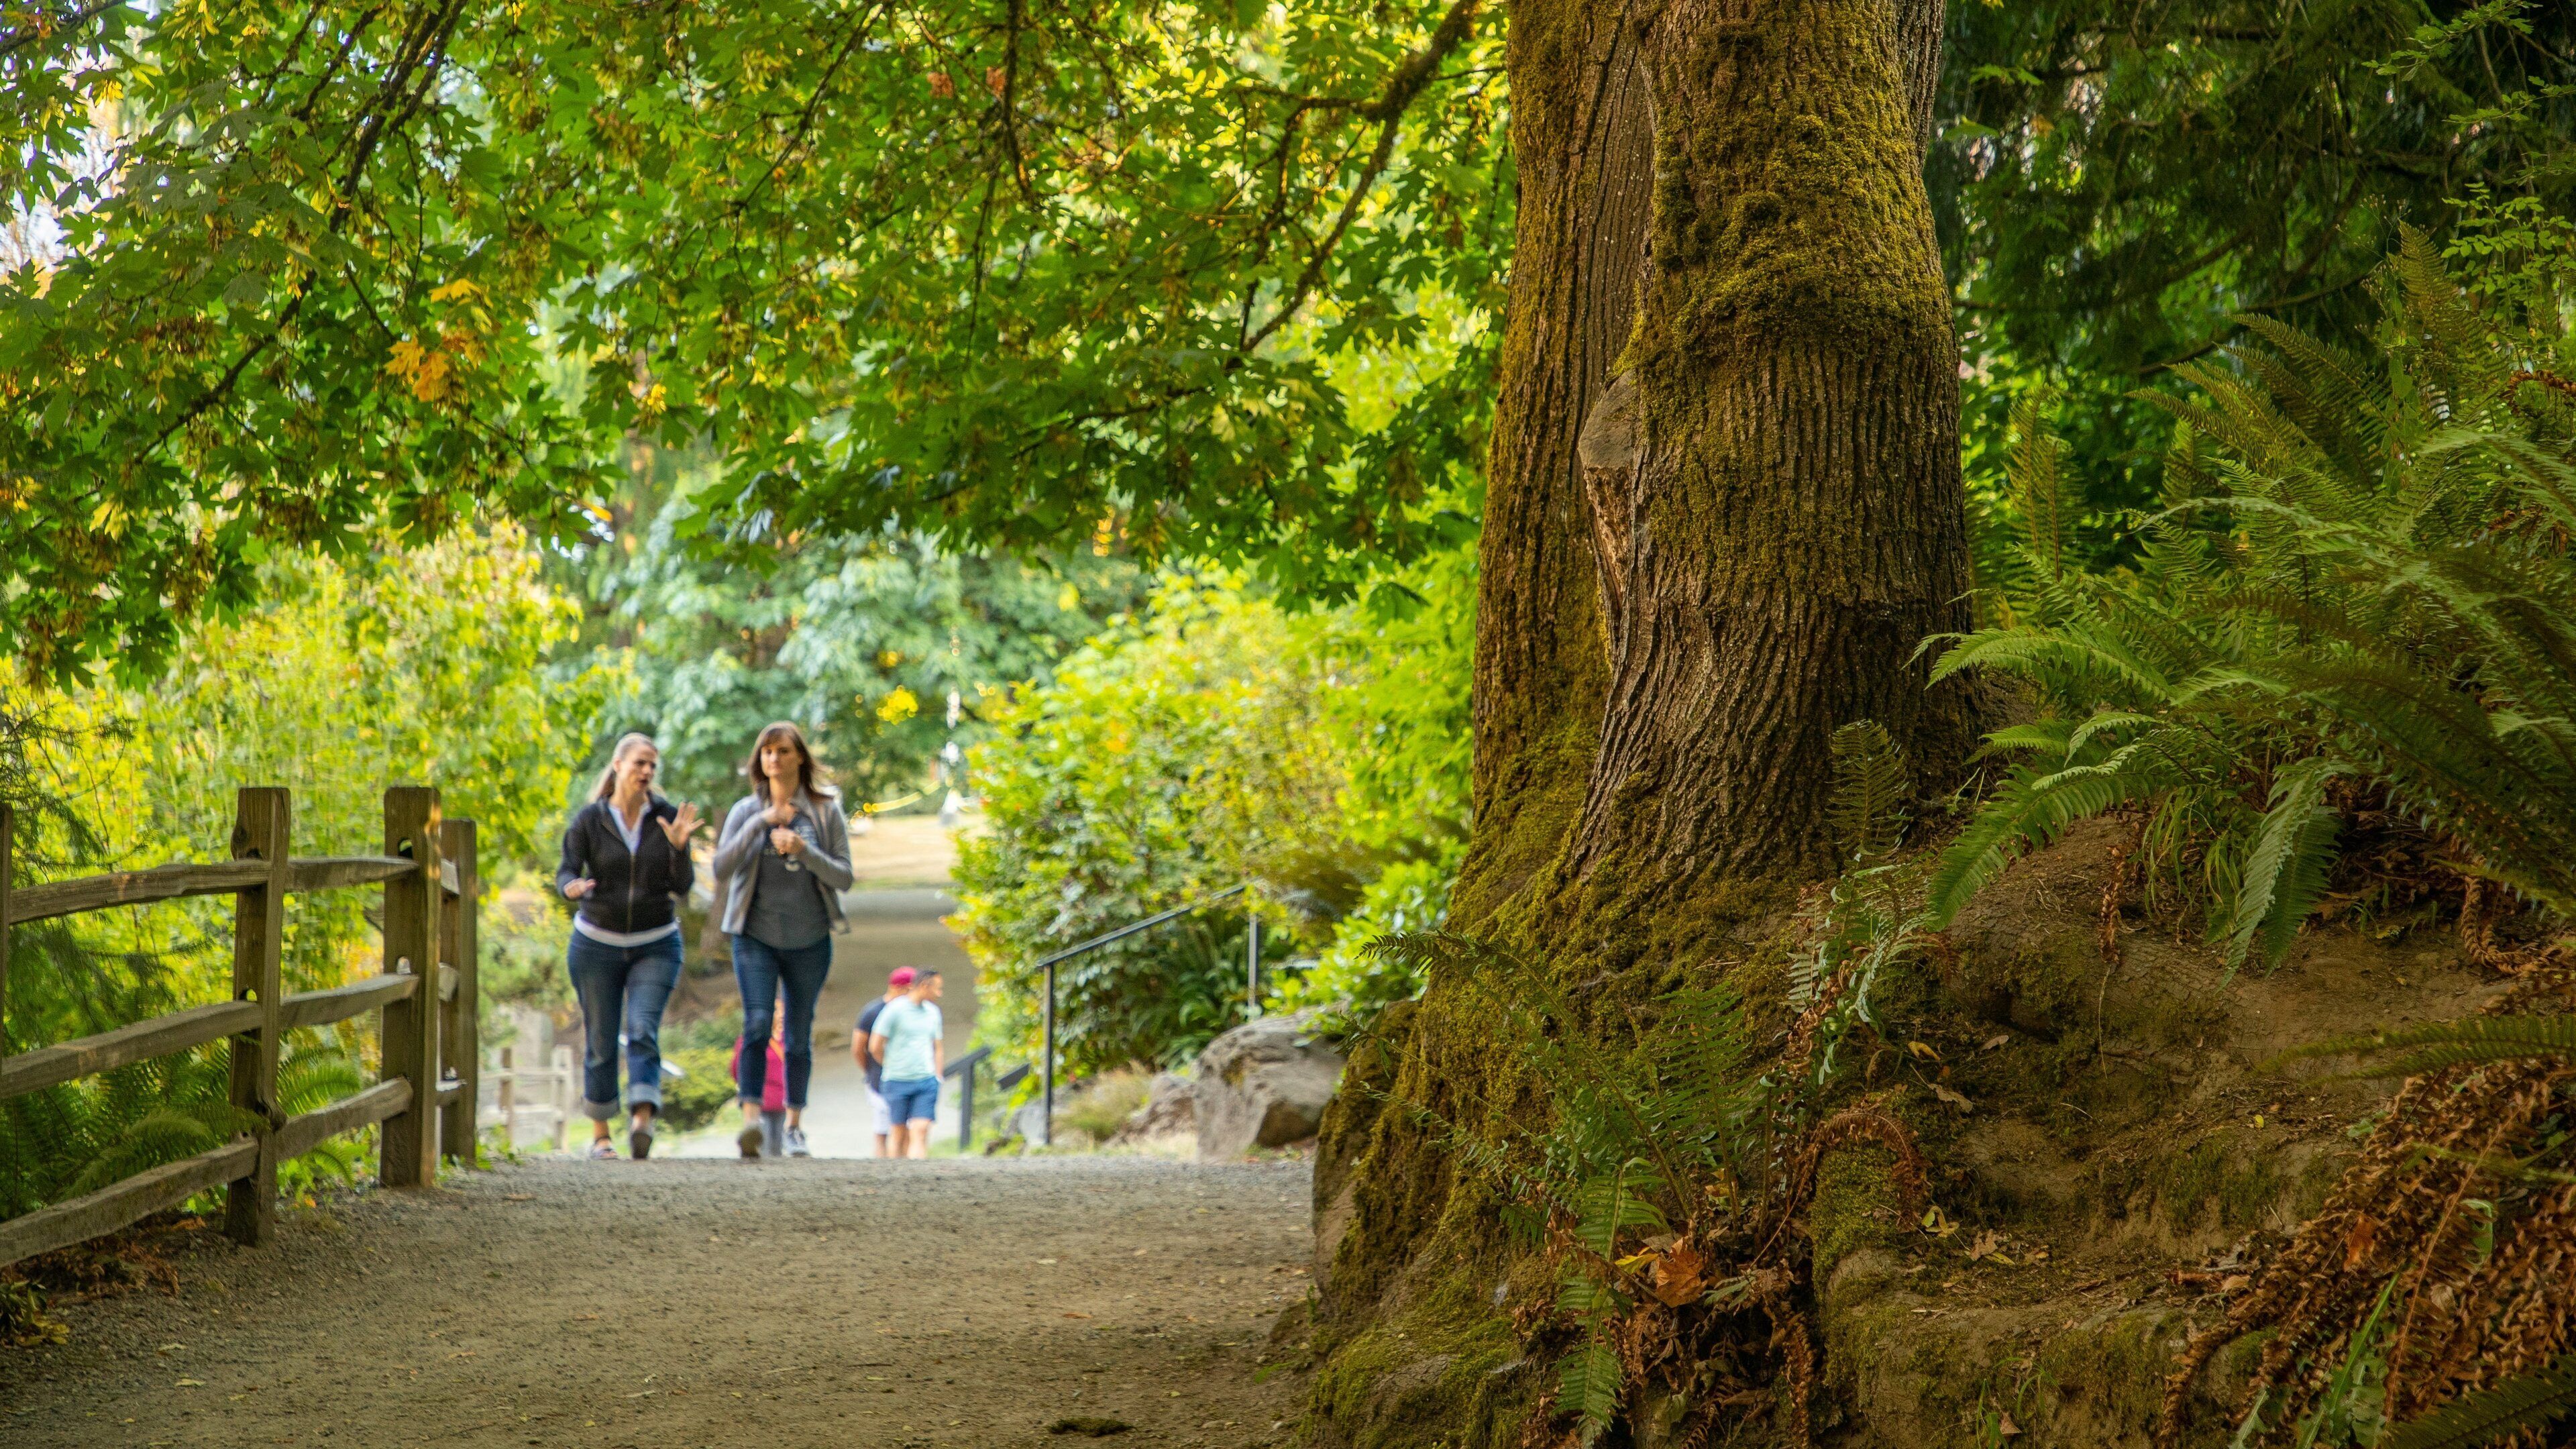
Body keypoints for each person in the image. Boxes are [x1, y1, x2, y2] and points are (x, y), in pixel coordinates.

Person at [711, 721, 855, 1161]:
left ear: (799, 758)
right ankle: (751, 1120)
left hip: (809, 938)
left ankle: (794, 1126)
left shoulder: (826, 811)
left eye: (783, 751)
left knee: (797, 1033)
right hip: (754, 936)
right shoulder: (745, 810)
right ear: (760, 760)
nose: (773, 759)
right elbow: (721, 867)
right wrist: (761, 822)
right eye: (767, 752)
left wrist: (804, 851)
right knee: (756, 1023)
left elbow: (845, 877)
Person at [556, 733, 703, 1161]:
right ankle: (602, 1135)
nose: (647, 772)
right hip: (595, 945)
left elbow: (682, 888)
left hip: (655, 943)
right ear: (618, 765)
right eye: (640, 763)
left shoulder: (667, 817)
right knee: (601, 1038)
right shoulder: (590, 820)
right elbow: (566, 868)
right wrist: (572, 887)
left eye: (653, 766)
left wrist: (678, 850)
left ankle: (642, 1118)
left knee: (642, 1029)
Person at [868, 967, 945, 1159]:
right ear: (925, 986)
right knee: (899, 1132)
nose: (939, 993)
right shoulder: (894, 1010)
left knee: (921, 1129)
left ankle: (918, 1174)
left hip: (925, 1080)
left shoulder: (933, 1013)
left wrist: (938, 1075)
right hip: (897, 1080)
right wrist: (890, 1065)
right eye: (937, 988)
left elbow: (938, 1046)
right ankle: (897, 1175)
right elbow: (875, 1045)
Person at [851, 970, 911, 1157]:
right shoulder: (873, 1011)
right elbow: (858, 1047)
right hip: (879, 1077)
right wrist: (870, 1069)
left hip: (903, 1075)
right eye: (910, 990)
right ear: (898, 988)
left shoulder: (910, 1010)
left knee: (903, 1130)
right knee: (883, 1131)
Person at [731, 1006, 790, 1158]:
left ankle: (773, 1173)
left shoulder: (787, 1040)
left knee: (777, 1144)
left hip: (781, 1101)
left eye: (783, 1011)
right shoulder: (749, 1040)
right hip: (761, 1101)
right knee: (763, 1141)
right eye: (777, 1011)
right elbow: (736, 1068)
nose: (781, 1015)